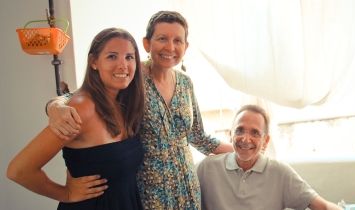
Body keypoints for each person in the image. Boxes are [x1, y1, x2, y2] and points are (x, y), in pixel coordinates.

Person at [45, 11, 233, 210]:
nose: (170, 47)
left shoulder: (186, 83)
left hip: (187, 189)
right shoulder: (131, 77)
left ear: (185, 47)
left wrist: (241, 152)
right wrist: (54, 106)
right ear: (146, 44)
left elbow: (196, 135)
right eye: (162, 38)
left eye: (178, 40)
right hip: (148, 193)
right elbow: (84, 93)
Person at [7, 28, 145, 210]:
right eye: (112, 56)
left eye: (129, 57)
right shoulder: (82, 108)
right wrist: (65, 193)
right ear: (94, 62)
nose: (123, 65)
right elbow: (19, 170)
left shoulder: (123, 102)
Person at [196, 105, 343, 210]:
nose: (246, 139)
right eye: (240, 130)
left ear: (265, 141)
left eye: (255, 133)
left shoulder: (280, 172)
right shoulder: (207, 168)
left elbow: (322, 206)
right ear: (230, 134)